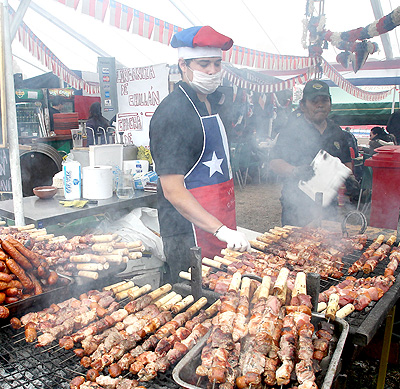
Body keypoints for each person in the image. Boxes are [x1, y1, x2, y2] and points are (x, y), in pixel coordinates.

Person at [149, 26, 249, 281]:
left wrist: (223, 228)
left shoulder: (211, 101)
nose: (212, 71)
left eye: (217, 64)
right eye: (204, 64)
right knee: (195, 302)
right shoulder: (173, 113)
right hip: (187, 233)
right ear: (183, 64)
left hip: (218, 218)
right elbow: (173, 190)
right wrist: (220, 230)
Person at [269, 80, 353, 226]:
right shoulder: (291, 131)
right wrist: (295, 171)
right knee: (294, 247)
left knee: (328, 245)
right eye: (314, 101)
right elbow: (274, 163)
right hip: (296, 204)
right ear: (303, 105)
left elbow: (347, 163)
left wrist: (348, 178)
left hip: (328, 205)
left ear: (330, 104)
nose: (320, 105)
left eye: (324, 101)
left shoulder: (337, 132)